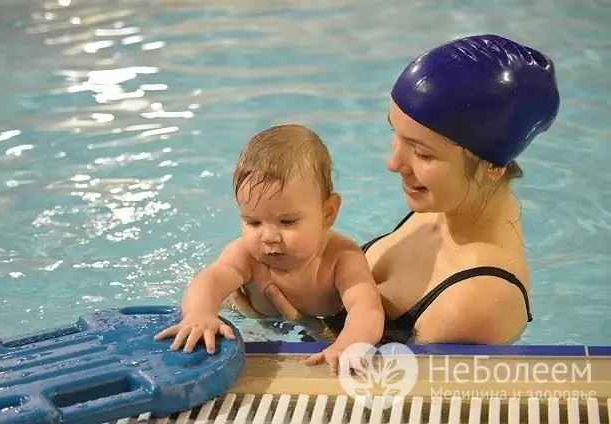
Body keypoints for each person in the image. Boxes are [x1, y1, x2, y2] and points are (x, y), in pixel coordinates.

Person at [227, 34, 561, 345]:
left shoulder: (476, 303)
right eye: (396, 135)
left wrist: (303, 324)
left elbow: (397, 396)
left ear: (492, 165)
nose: (393, 162)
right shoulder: (446, 205)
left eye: (422, 153)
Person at [154, 124, 386, 374]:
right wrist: (200, 313)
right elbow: (211, 279)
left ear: (327, 214)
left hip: (319, 325)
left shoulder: (342, 258)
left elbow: (367, 308)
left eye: (287, 222)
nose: (269, 237)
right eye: (253, 222)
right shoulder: (245, 254)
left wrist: (349, 343)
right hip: (249, 318)